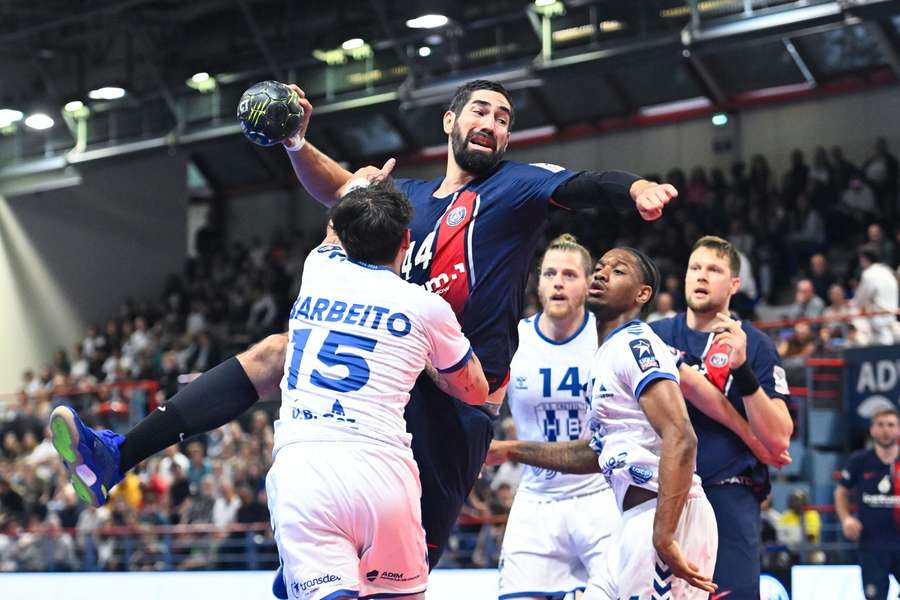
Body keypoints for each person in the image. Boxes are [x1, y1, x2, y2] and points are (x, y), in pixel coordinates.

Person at [48, 79, 676, 571]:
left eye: (505, 119)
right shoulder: (409, 197)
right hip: (392, 376)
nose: (493, 124)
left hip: (461, 395)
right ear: (450, 122)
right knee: (277, 349)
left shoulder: (515, 188)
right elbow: (341, 190)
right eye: (481, 112)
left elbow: (591, 183)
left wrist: (638, 187)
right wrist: (295, 143)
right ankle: (118, 454)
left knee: (410, 566)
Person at [57, 181, 490, 599]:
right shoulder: (426, 306)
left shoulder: (319, 268)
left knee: (273, 350)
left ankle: (119, 454)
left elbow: (333, 230)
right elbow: (474, 391)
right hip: (382, 471)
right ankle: (117, 455)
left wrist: (359, 186)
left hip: (305, 467)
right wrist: (425, 361)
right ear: (406, 241)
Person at [488, 248, 718, 599]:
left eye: (618, 271)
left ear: (642, 294)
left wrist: (664, 534)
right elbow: (594, 452)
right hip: (634, 518)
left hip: (666, 514)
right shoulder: (606, 352)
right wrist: (509, 450)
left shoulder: (636, 344)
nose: (602, 274)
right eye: (600, 268)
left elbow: (682, 436)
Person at [649, 235, 793, 599]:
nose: (701, 276)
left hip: (729, 497)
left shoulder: (756, 344)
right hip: (664, 496)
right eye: (695, 268)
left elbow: (779, 438)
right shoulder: (655, 336)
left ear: (733, 285)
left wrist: (742, 371)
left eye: (713, 270)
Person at [498, 234, 619, 600]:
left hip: (601, 498)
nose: (558, 283)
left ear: (587, 285)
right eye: (550, 274)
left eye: (569, 275)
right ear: (538, 282)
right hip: (536, 497)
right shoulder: (513, 338)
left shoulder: (608, 339)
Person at [835, 407, 900, 600]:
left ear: (898, 429)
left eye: (891, 425)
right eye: (880, 425)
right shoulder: (859, 461)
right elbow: (840, 491)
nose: (885, 430)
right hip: (872, 546)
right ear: (872, 430)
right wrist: (846, 519)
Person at [854, 244, 899, 346]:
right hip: (892, 321)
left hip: (878, 326)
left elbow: (859, 302)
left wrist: (851, 304)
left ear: (865, 258)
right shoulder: (889, 271)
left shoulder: (869, 274)